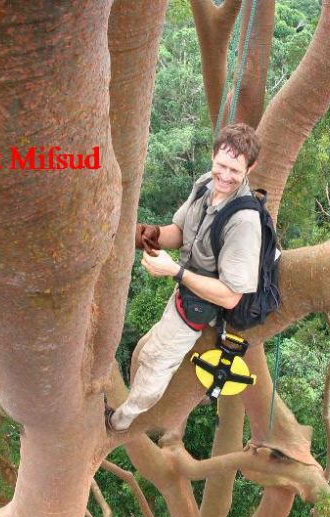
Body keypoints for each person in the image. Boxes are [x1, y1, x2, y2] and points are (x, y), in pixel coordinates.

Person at [106, 123, 263, 432]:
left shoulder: (244, 222)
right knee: (151, 349)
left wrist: (175, 271)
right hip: (184, 289)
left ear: (250, 167)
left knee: (154, 363)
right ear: (212, 156)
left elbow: (231, 295)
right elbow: (179, 234)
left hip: (200, 307)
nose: (225, 176)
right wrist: (147, 235)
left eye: (234, 169)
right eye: (221, 165)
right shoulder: (206, 184)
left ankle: (119, 420)